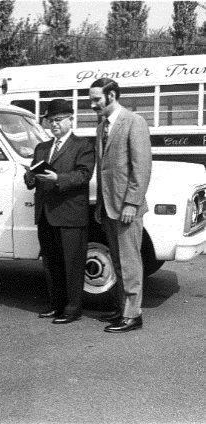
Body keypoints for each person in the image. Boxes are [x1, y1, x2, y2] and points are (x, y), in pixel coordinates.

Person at [89, 78, 152, 333]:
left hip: (127, 208)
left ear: (112, 95)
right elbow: (103, 170)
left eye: (96, 100)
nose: (92, 105)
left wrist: (131, 203)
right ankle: (121, 309)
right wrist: (100, 206)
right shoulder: (101, 126)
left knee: (129, 262)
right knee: (117, 261)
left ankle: (133, 316)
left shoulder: (134, 122)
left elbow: (142, 167)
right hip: (108, 207)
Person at [24, 99, 95, 324]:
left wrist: (58, 179)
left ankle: (73, 309)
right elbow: (30, 181)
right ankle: (56, 306)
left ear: (70, 120)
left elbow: (84, 176)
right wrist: (30, 175)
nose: (53, 125)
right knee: (51, 263)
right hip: (46, 215)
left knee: (72, 265)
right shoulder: (42, 148)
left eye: (57, 120)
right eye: (49, 121)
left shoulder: (82, 146)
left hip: (70, 215)